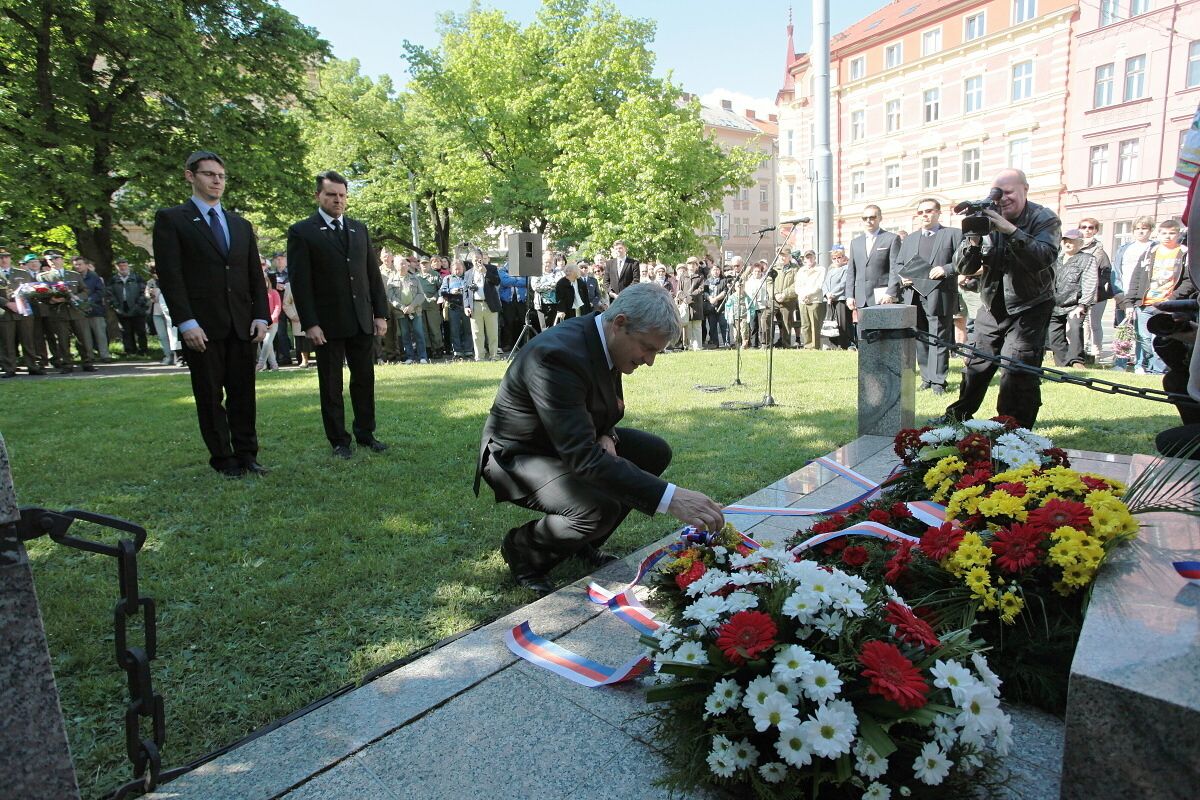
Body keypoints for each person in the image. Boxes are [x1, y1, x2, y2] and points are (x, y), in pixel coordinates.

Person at [475, 281, 726, 595]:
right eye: (648, 348)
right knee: (598, 507)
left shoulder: (603, 339)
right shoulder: (557, 355)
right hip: (518, 455)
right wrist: (672, 498)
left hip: (562, 440)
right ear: (620, 324)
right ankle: (523, 550)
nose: (650, 360)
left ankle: (582, 542)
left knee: (653, 452)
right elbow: (582, 457)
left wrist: (607, 433)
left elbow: (599, 407)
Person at [153, 150, 270, 477]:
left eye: (221, 176)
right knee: (209, 395)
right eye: (209, 174)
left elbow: (254, 275)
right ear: (190, 176)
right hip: (201, 326)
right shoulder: (172, 220)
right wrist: (186, 321)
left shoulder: (240, 225)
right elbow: (171, 276)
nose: (216, 181)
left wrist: (261, 316)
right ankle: (223, 458)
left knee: (244, 395)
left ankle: (247, 455)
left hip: (242, 324)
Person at [941, 168, 1061, 430]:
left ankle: (1012, 429)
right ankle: (957, 419)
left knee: (1017, 369)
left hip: (1030, 305)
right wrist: (973, 240)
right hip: (992, 303)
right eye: (998, 194)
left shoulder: (1044, 218)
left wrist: (1009, 230)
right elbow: (963, 267)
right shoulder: (986, 219)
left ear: (1025, 190)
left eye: (1008, 192)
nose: (1003, 199)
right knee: (976, 363)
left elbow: (1043, 257)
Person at [287, 170, 389, 459]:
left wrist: (380, 313)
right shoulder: (302, 232)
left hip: (361, 319)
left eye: (342, 195)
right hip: (327, 324)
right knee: (331, 384)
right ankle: (339, 441)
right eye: (331, 194)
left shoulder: (358, 229)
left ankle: (366, 433)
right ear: (318, 195)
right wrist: (310, 323)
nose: (338, 200)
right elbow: (301, 283)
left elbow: (372, 274)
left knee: (364, 380)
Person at [883, 198, 963, 394]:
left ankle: (938, 381)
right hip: (914, 295)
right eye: (920, 212)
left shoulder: (952, 234)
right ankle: (926, 377)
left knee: (939, 337)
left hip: (940, 294)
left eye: (928, 211)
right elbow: (899, 264)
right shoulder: (910, 239)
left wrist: (946, 269)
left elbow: (963, 260)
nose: (924, 215)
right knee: (921, 338)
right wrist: (903, 277)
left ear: (938, 212)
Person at [1121, 218, 1189, 375]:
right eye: (1164, 233)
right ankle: (1147, 366)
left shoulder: (1184, 254)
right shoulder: (1149, 253)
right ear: (1158, 234)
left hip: (1167, 304)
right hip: (1145, 303)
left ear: (1178, 234)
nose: (1167, 236)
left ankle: (1157, 371)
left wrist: (1172, 299)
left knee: (1159, 339)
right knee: (1144, 339)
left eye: (1171, 233)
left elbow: (1188, 281)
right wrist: (1129, 302)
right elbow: (1136, 278)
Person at [37, 250, 96, 373]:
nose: (53, 262)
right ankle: (67, 364)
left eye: (56, 259)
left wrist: (76, 297)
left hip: (76, 311)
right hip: (58, 312)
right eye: (50, 260)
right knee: (62, 340)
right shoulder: (43, 276)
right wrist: (51, 300)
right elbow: (40, 294)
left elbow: (85, 290)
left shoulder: (74, 275)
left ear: (62, 260)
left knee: (83, 338)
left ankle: (87, 362)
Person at [1047, 229, 1098, 369]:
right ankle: (1063, 364)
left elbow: (1090, 282)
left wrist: (1083, 304)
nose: (1068, 244)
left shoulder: (1087, 259)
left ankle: (1076, 361)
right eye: (1065, 241)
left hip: (1075, 305)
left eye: (1072, 241)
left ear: (1080, 243)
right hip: (1055, 304)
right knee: (1053, 336)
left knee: (1075, 329)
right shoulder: (1056, 259)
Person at [846, 204, 900, 314]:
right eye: (865, 218)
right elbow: (851, 271)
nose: (868, 221)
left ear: (880, 218)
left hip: (883, 297)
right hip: (860, 298)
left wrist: (890, 292)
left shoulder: (891, 239)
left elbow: (895, 269)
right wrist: (849, 295)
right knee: (861, 326)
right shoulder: (855, 242)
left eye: (872, 217)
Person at [0, 248, 45, 377]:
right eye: (1, 257)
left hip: (23, 311)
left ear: (10, 258)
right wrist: (7, 303)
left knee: (28, 340)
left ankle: (32, 366)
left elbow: (32, 289)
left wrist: (23, 300)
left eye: (6, 257)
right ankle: (9, 368)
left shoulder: (22, 273)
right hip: (4, 312)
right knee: (7, 342)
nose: (3, 260)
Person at [1077, 218, 1112, 365]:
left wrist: (1097, 286)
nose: (1087, 230)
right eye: (1084, 227)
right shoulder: (1074, 246)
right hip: (1078, 292)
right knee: (1082, 323)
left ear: (1096, 230)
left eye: (1091, 227)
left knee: (1095, 324)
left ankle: (1096, 351)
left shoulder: (1099, 250)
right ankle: (1083, 350)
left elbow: (1106, 271)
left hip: (1097, 293)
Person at [389, 256, 430, 364]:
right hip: (401, 312)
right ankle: (410, 357)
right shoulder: (391, 280)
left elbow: (421, 294)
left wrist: (412, 306)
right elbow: (391, 297)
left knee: (419, 333)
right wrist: (403, 307)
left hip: (415, 310)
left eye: (405, 263)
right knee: (405, 335)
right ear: (395, 266)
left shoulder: (415, 278)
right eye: (401, 263)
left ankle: (423, 357)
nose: (404, 265)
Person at [463, 247, 502, 359]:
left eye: (479, 259)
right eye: (475, 260)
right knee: (477, 333)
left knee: (492, 332)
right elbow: (465, 291)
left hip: (490, 304)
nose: (477, 262)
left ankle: (494, 355)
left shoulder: (491, 268)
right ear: (471, 260)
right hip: (475, 305)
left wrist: (486, 272)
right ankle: (479, 357)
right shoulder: (468, 273)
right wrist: (466, 306)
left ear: (482, 258)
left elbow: (497, 281)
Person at [107, 258, 149, 356]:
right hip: (122, 308)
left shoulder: (137, 277)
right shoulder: (113, 280)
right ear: (116, 267)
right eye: (120, 266)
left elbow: (144, 292)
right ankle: (130, 351)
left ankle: (143, 351)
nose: (123, 268)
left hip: (138, 308)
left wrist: (138, 305)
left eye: (124, 265)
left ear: (128, 266)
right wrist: (116, 306)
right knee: (126, 331)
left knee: (141, 331)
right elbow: (109, 294)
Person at [75, 257, 111, 362]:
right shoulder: (73, 277)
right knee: (85, 335)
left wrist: (89, 301)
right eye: (76, 264)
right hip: (80, 310)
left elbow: (101, 291)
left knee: (100, 334)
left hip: (96, 309)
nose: (77, 266)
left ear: (86, 265)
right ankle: (89, 356)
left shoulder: (95, 277)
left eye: (80, 264)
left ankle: (105, 355)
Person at [145, 265, 180, 366]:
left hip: (170, 312)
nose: (155, 274)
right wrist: (150, 294)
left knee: (174, 334)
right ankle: (168, 356)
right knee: (162, 336)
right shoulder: (151, 282)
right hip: (157, 312)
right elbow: (146, 294)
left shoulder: (170, 280)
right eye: (154, 272)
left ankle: (178, 356)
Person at [440, 258, 473, 359]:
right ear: (451, 269)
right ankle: (457, 351)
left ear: (463, 268)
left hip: (466, 306)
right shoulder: (447, 279)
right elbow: (441, 291)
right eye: (455, 269)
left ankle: (468, 350)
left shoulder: (468, 277)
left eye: (459, 269)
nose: (457, 271)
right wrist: (451, 291)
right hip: (453, 307)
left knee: (468, 329)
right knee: (455, 330)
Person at [822, 245, 854, 350]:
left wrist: (833, 294)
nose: (836, 260)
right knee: (831, 322)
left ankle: (843, 344)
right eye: (834, 258)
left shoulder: (846, 269)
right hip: (830, 300)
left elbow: (844, 283)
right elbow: (825, 284)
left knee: (842, 323)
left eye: (839, 257)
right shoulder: (830, 270)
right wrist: (827, 294)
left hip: (840, 299)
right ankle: (833, 344)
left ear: (843, 257)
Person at [795, 250, 826, 350]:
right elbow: (797, 285)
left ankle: (815, 347)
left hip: (815, 300)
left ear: (815, 257)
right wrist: (802, 295)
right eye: (807, 257)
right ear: (804, 259)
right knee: (805, 325)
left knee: (815, 325)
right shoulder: (801, 270)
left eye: (811, 257)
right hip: (802, 300)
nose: (809, 259)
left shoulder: (821, 269)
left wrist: (808, 294)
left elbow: (819, 285)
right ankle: (807, 346)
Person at [676, 258, 705, 350]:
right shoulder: (683, 276)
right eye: (689, 264)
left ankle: (698, 346)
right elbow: (679, 290)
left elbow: (701, 289)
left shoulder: (700, 276)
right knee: (687, 326)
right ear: (687, 265)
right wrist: (684, 299)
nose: (691, 266)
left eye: (694, 264)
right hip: (685, 305)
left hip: (696, 304)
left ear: (697, 266)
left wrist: (690, 297)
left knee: (697, 326)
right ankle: (689, 346)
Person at [256, 270, 282, 371]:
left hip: (273, 323)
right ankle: (274, 365)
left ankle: (260, 364)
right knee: (268, 344)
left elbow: (277, 307)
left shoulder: (274, 293)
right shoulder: (258, 294)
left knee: (267, 342)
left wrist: (271, 320)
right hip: (262, 323)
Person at [704, 264, 730, 347]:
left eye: (717, 270)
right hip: (711, 307)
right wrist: (710, 298)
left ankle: (727, 343)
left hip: (722, 306)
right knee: (712, 326)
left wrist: (716, 299)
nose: (716, 271)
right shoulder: (707, 281)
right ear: (711, 271)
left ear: (720, 271)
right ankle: (715, 343)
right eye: (714, 270)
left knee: (724, 325)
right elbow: (705, 292)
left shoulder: (724, 280)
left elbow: (725, 291)